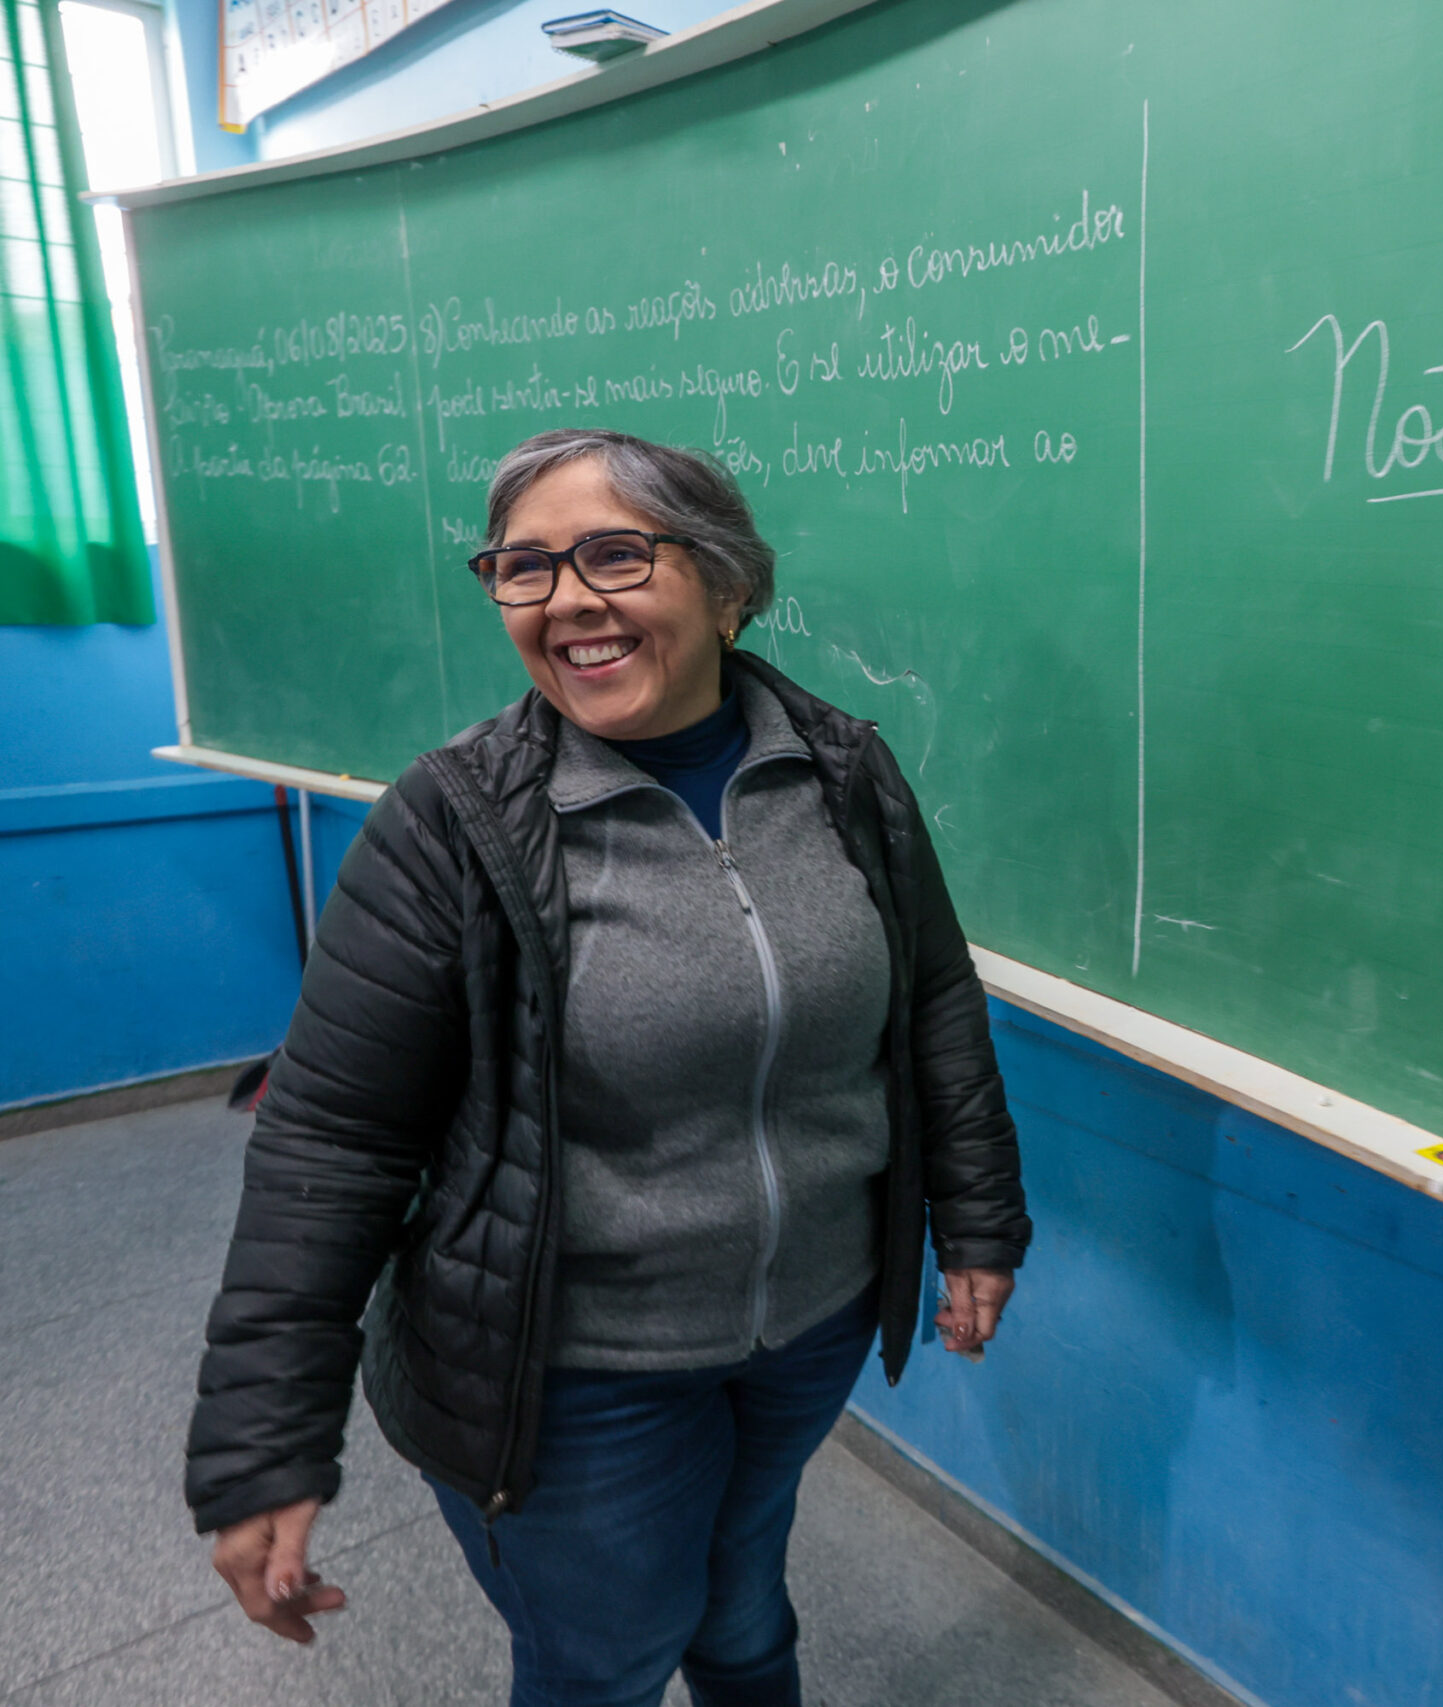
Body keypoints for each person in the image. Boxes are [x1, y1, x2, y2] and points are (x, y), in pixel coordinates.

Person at [183, 427, 1031, 1707]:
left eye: (615, 554)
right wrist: (263, 1442)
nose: (568, 598)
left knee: (744, 1607)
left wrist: (975, 1220)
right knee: (610, 1659)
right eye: (523, 569)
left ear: (729, 584)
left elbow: (930, 1004)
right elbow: (330, 1143)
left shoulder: (845, 771)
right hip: (570, 1365)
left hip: (809, 1323)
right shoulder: (453, 823)